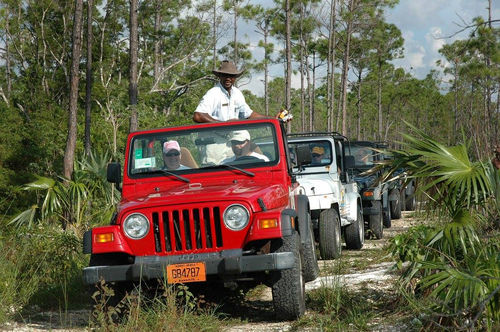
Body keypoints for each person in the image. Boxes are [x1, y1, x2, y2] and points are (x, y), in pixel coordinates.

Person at [193, 60, 267, 123]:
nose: (228, 78)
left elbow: (248, 114)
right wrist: (222, 126)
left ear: (235, 78)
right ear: (220, 76)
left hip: (232, 134)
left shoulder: (237, 93)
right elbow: (198, 115)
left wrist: (273, 118)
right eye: (225, 75)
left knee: (244, 136)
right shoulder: (213, 93)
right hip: (214, 136)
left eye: (231, 76)